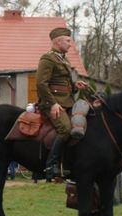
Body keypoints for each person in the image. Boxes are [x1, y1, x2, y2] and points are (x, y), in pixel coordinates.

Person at [36, 27, 87, 179]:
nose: (70, 44)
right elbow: (41, 84)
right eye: (68, 40)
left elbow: (63, 83)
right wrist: (52, 104)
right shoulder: (47, 58)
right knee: (66, 128)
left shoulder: (64, 59)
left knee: (81, 124)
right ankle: (51, 166)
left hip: (68, 102)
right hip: (52, 104)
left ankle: (70, 165)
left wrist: (75, 86)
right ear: (58, 41)